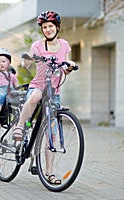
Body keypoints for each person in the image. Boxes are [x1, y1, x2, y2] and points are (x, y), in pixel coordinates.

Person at [13, 11, 76, 184]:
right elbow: (29, 61)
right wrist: (28, 60)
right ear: (42, 30)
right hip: (38, 86)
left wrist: (68, 68)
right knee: (34, 97)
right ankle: (20, 127)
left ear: (57, 27)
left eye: (51, 26)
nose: (48, 29)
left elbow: (65, 67)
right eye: (45, 27)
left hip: (54, 92)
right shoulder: (37, 46)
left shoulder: (64, 45)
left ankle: (49, 173)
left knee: (51, 135)